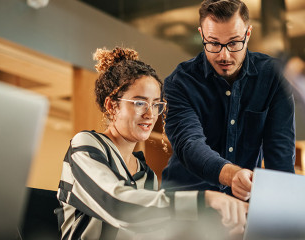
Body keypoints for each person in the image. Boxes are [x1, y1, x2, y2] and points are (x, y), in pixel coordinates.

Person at [55, 47, 248, 239]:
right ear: (111, 105)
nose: (150, 114)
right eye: (140, 103)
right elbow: (118, 206)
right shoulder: (86, 145)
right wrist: (204, 200)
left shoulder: (145, 174)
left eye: (156, 104)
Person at [161, 0, 295, 201]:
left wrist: (284, 212)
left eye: (233, 43)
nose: (224, 55)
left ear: (248, 34)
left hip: (242, 205)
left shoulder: (274, 77)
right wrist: (232, 175)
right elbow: (189, 144)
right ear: (201, 35)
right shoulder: (180, 82)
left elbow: (280, 157)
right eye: (214, 43)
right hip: (186, 202)